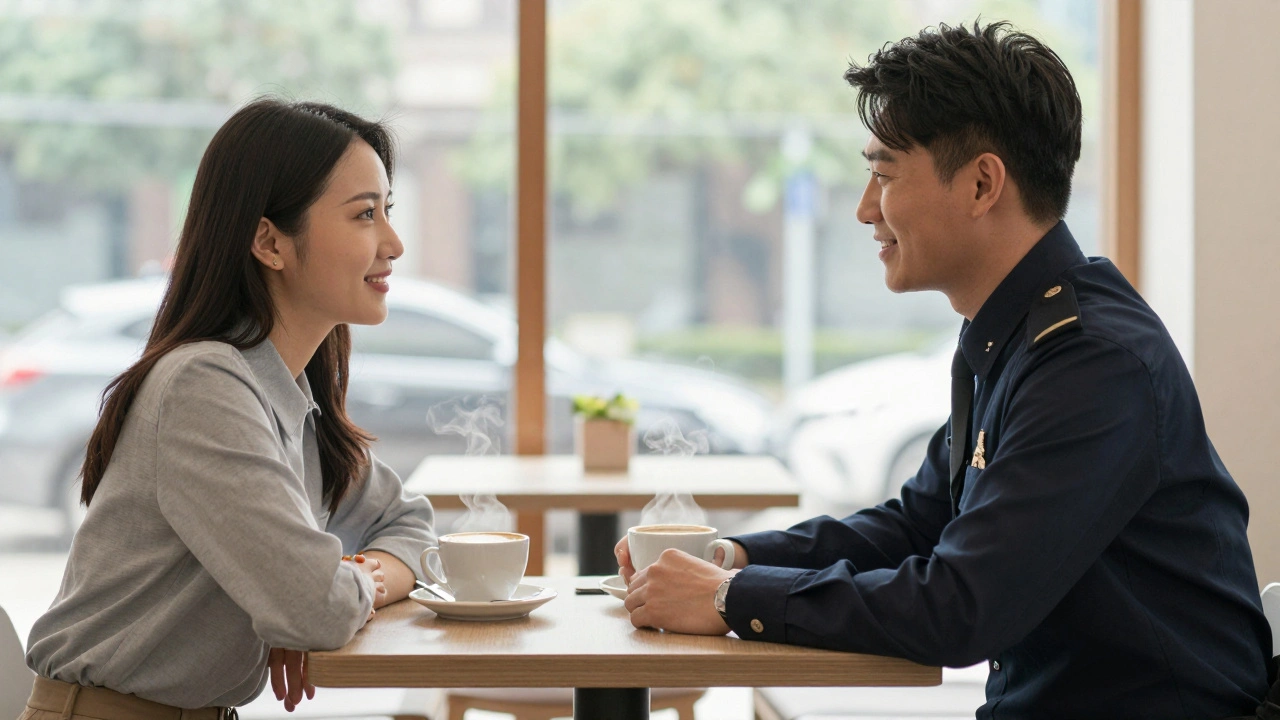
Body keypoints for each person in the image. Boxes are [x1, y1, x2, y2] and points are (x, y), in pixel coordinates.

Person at [617, 21, 1273, 719]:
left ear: (983, 183)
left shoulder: (1092, 363)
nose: (867, 209)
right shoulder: (1011, 335)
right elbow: (919, 524)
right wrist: (735, 559)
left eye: (884, 174)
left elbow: (962, 609)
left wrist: (728, 602)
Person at [20, 99, 436, 719]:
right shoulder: (205, 386)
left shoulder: (289, 397)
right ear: (269, 241)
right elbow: (313, 607)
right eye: (365, 215)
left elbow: (413, 529)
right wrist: (341, 589)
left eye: (387, 212)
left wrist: (337, 582)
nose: (394, 243)